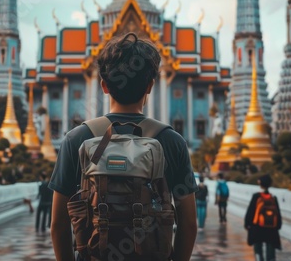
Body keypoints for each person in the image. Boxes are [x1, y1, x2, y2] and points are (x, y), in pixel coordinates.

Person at [49, 32, 198, 261]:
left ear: (104, 86)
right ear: (150, 86)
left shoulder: (75, 139)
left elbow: (58, 224)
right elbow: (188, 223)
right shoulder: (173, 142)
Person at [244, 174, 282, 261]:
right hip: (271, 228)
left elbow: (250, 211)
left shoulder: (256, 196)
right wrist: (278, 226)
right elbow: (278, 213)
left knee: (258, 248)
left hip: (258, 227)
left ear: (260, 184)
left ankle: (259, 259)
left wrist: (247, 224)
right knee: (270, 248)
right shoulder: (273, 198)